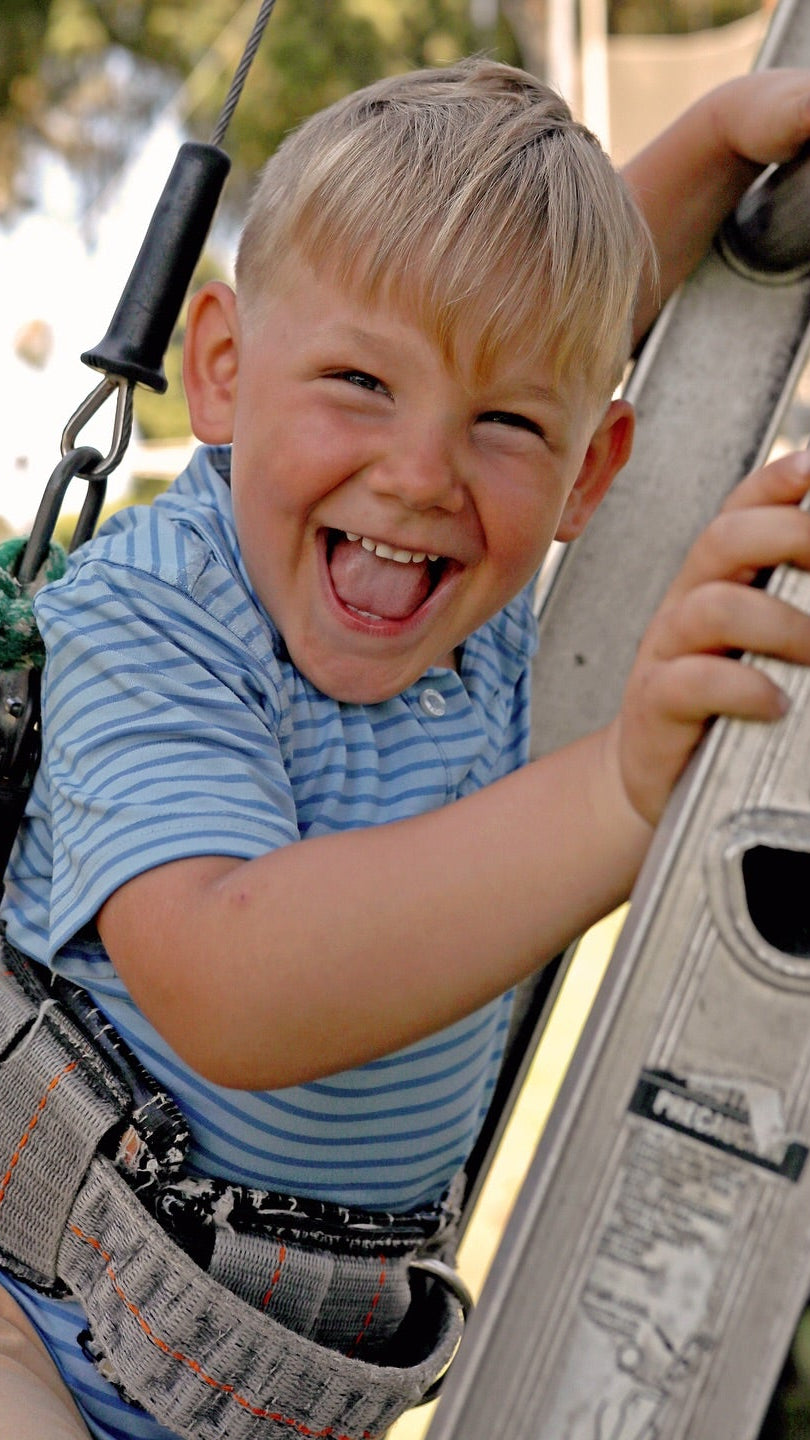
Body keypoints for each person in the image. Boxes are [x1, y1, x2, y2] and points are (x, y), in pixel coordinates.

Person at [2, 56, 810, 1440]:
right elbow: (233, 982)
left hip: (287, 1383)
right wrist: (616, 793)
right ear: (221, 372)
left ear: (584, 475)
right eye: (361, 382)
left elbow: (557, 317)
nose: (424, 469)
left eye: (504, 426)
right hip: (34, 1310)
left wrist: (724, 139)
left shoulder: (465, 612)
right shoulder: (155, 612)